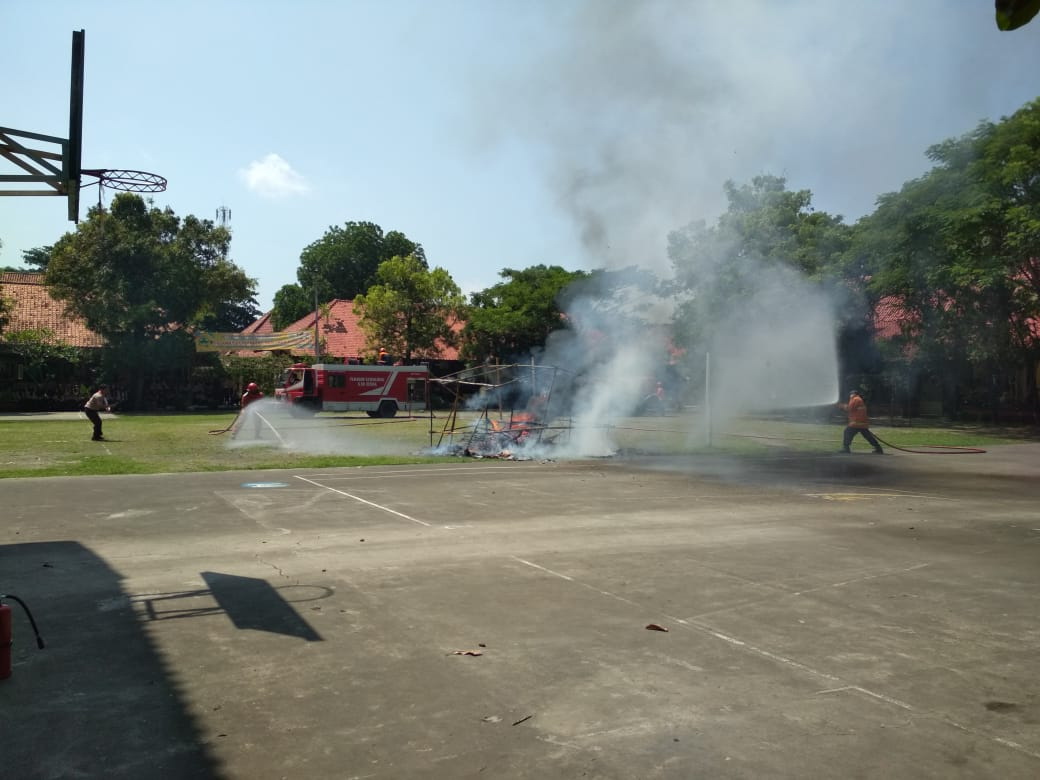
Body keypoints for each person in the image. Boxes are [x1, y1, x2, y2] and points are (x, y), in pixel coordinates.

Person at [837, 389, 883, 454]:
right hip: (862, 423)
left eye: (851, 394)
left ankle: (846, 448)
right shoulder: (859, 399)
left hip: (856, 423)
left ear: (853, 394)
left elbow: (849, 408)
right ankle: (878, 448)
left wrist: (840, 406)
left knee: (847, 432)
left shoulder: (855, 399)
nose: (850, 396)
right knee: (868, 436)